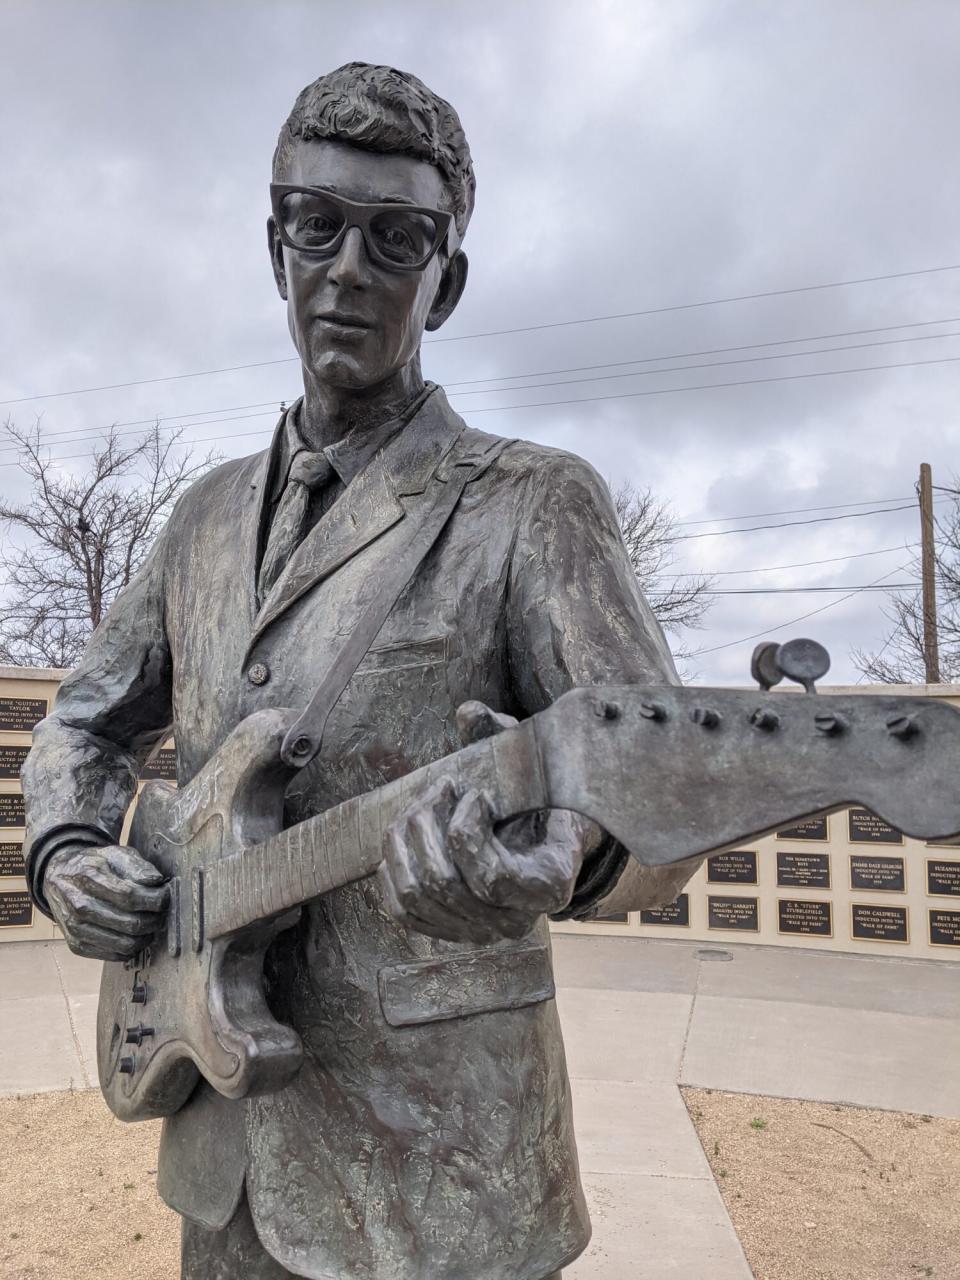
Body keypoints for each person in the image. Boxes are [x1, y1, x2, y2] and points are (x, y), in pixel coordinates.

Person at [21, 63, 700, 1280]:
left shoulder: (535, 503)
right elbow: (82, 720)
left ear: (448, 279)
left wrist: (565, 853)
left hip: (446, 1175)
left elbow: (662, 784)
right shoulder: (202, 521)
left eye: (398, 240)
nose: (349, 269)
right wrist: (69, 849)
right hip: (220, 1146)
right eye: (316, 226)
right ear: (272, 246)